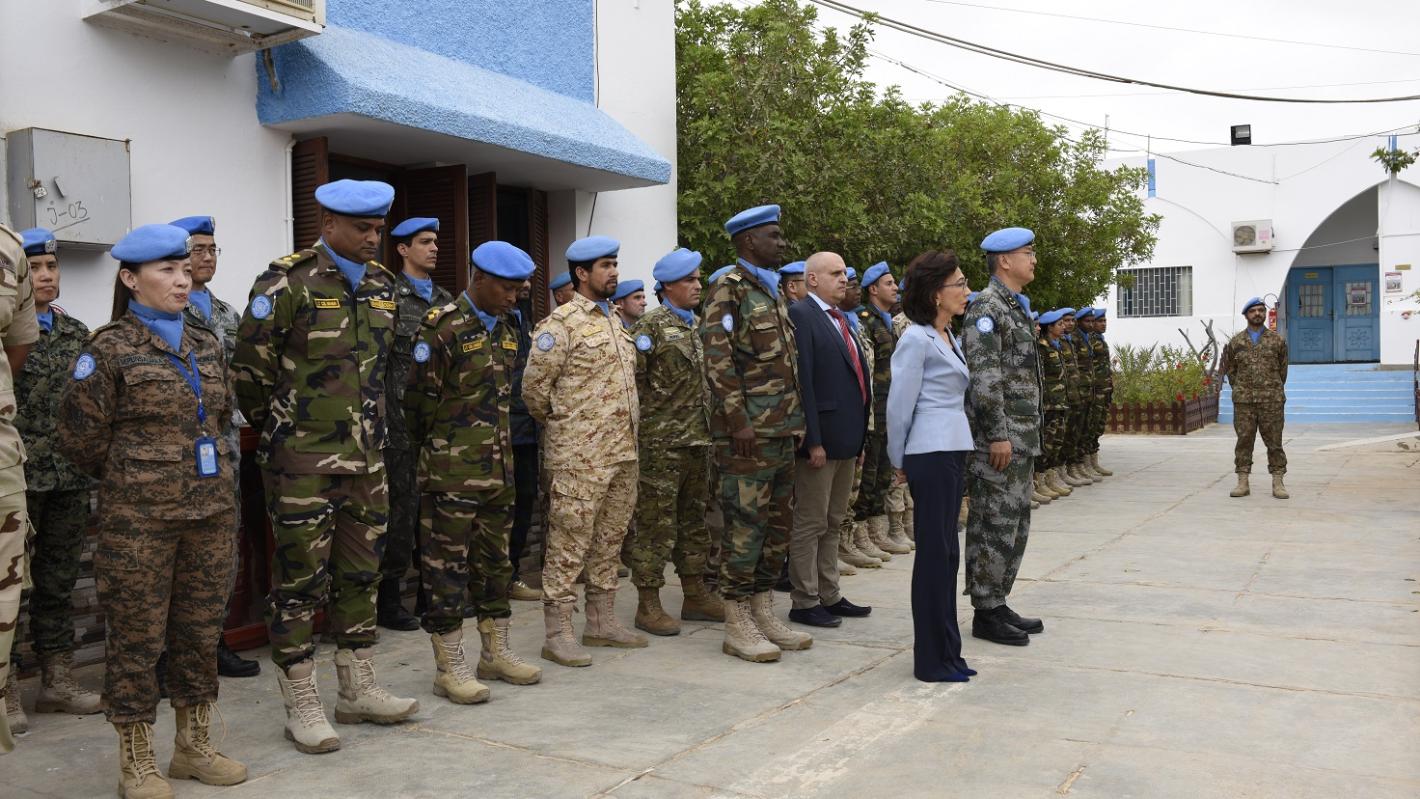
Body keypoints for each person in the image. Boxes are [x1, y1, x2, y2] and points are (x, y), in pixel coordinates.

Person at [58, 223, 246, 795]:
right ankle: (136, 760)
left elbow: (220, 416)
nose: (181, 280)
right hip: (139, 523)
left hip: (210, 515)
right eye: (167, 271)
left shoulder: (206, 342)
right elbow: (80, 439)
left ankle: (193, 746)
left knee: (199, 631)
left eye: (185, 270)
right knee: (137, 640)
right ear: (130, 279)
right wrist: (137, 478)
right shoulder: (107, 349)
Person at [234, 179, 418, 755]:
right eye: (362, 228)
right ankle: (302, 700)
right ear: (328, 224)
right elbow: (250, 376)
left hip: (368, 460)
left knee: (362, 574)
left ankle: (357, 687)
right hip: (302, 464)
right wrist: (292, 430)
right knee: (298, 583)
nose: (372, 237)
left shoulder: (384, 286)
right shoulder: (285, 283)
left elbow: (385, 372)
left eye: (377, 228)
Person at [405, 241, 543, 703]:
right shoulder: (442, 327)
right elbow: (417, 405)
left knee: (497, 564)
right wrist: (444, 451)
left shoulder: (508, 328)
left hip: (499, 469)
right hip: (451, 474)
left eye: (519, 289)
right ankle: (450, 665)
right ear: (479, 278)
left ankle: (495, 652)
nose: (514, 297)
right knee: (445, 570)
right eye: (507, 288)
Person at [521, 235, 645, 667]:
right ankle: (558, 633)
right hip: (579, 459)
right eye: (605, 266)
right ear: (581, 273)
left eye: (615, 264)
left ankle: (601, 622)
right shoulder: (560, 325)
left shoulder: (616, 320)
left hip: (622, 453)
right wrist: (571, 430)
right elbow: (534, 392)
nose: (614, 272)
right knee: (568, 544)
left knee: (609, 541)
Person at [700, 204, 809, 663]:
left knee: (777, 528)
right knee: (745, 527)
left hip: (780, 430)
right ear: (748, 241)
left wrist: (795, 422)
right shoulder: (727, 290)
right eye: (773, 235)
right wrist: (737, 421)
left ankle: (763, 610)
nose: (781, 243)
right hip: (747, 435)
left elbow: (786, 365)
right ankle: (737, 620)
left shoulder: (771, 289)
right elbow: (718, 360)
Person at [5, 229, 100, 734]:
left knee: (58, 582)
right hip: (17, 479)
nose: (45, 276)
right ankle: (6, 688)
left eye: (51, 267)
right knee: (9, 589)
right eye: (36, 268)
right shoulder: (6, 335)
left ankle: (57, 680)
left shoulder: (76, 332)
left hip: (67, 476)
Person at [170, 215, 262, 680]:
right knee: (178, 551)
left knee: (223, 547)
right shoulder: (165, 311)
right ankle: (170, 654)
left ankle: (215, 642)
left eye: (212, 249)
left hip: (226, 448)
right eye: (197, 250)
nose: (206, 257)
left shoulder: (226, 313)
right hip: (179, 451)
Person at [887, 249, 976, 682]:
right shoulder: (916, 339)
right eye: (959, 284)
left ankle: (948, 652)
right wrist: (897, 458)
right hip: (929, 452)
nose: (966, 290)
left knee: (947, 554)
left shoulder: (946, 335)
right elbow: (898, 406)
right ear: (935, 293)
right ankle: (930, 659)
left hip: (951, 449)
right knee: (934, 556)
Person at [626, 248, 723, 635]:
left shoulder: (699, 326)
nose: (698, 285)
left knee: (694, 522)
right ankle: (648, 603)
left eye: (699, 279)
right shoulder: (648, 328)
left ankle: (695, 594)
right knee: (655, 525)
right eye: (690, 280)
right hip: (661, 446)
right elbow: (633, 387)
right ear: (667, 286)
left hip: (699, 442)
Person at [961, 227, 1044, 647]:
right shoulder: (987, 308)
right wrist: (996, 435)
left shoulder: (1014, 307)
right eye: (1028, 252)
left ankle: (998, 600)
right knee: (993, 522)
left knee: (1014, 524)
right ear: (1005, 261)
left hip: (1021, 437)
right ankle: (985, 610)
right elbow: (985, 377)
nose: (1034, 259)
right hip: (1001, 440)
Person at [785, 252, 872, 628]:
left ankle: (829, 593)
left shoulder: (840, 318)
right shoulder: (802, 314)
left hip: (847, 438)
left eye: (845, 273)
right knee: (811, 521)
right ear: (813, 279)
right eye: (835, 273)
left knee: (834, 520)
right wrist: (813, 441)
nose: (844, 279)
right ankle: (804, 600)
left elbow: (856, 379)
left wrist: (859, 439)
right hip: (821, 442)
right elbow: (803, 380)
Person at [376, 217, 454, 632]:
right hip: (399, 427)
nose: (435, 248)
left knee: (437, 512)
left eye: (436, 242)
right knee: (400, 513)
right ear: (403, 250)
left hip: (438, 428)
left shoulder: (445, 301)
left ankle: (430, 594)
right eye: (425, 242)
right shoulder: (387, 297)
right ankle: (390, 600)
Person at [853, 261, 912, 553]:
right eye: (889, 284)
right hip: (874, 409)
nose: (895, 288)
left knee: (884, 472)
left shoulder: (890, 322)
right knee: (869, 473)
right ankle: (860, 533)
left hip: (891, 408)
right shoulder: (865, 321)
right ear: (873, 289)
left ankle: (878, 530)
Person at [1219, 297, 1289, 499]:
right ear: (1246, 315)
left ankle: (1278, 482)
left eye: (1260, 310)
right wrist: (1242, 389)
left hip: (1271, 401)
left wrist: (1271, 388)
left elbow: (1283, 371)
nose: (1257, 314)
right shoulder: (1236, 343)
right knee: (1244, 441)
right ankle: (1243, 482)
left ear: (1265, 313)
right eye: (1253, 311)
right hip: (1244, 402)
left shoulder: (1277, 341)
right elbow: (1231, 371)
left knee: (1275, 442)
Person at [507, 279, 541, 602]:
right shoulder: (496, 317)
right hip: (500, 428)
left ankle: (511, 574)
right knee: (500, 507)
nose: (528, 284)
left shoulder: (525, 319)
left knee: (525, 500)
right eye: (520, 278)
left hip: (527, 428)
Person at [1034, 309, 1073, 501]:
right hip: (1049, 404)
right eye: (1060, 324)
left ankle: (1050, 477)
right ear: (1050, 327)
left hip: (1060, 402)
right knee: (1046, 443)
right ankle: (1039, 480)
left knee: (1056, 442)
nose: (1064, 326)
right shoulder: (1042, 347)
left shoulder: (1056, 346)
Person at [1084, 308, 1115, 477]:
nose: (1103, 324)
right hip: (1095, 390)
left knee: (1098, 427)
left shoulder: (1100, 340)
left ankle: (1093, 462)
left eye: (1105, 321)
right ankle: (1085, 464)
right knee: (1091, 427)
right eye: (1100, 321)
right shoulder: (1089, 340)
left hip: (1104, 389)